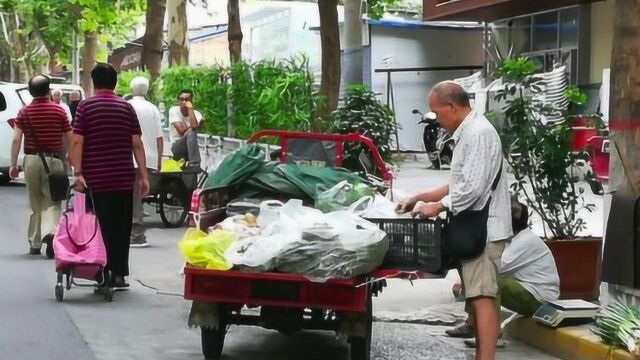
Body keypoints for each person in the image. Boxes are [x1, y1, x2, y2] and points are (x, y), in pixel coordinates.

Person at [397, 81, 512, 360]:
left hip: (485, 228)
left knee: (482, 297)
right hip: (479, 225)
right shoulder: (470, 132)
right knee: (477, 296)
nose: (436, 120)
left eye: (437, 113)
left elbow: (471, 190)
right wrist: (421, 196)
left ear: (452, 106)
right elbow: (459, 183)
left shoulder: (477, 133)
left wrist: (436, 206)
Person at [70, 63, 149, 288]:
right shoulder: (126, 108)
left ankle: (101, 270)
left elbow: (77, 141)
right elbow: (136, 143)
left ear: (94, 82)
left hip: (95, 180)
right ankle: (118, 274)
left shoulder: (86, 107)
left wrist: (77, 173)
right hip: (123, 178)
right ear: (114, 83)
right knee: (121, 227)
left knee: (99, 226)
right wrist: (143, 175)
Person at [447, 198, 560, 348]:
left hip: (540, 300)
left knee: (489, 279)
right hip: (527, 291)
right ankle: (472, 324)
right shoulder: (512, 239)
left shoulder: (524, 242)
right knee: (479, 274)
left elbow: (494, 267)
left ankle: (493, 335)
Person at [9, 75, 73, 257]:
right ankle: (52, 233)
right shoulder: (59, 111)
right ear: (48, 90)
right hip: (55, 160)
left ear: (30, 92)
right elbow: (70, 137)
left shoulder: (24, 113)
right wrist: (70, 157)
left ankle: (35, 243)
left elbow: (16, 140)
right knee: (53, 201)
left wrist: (14, 165)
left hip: (31, 161)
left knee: (35, 201)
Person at [128, 76, 164, 248]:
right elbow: (159, 137)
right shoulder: (153, 109)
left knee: (133, 196)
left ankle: (137, 234)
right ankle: (134, 232)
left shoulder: (127, 106)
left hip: (131, 156)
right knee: (137, 195)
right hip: (148, 157)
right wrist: (159, 159)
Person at [168, 89, 203, 167]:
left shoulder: (197, 114)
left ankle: (193, 163)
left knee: (192, 131)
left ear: (191, 101)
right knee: (191, 131)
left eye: (186, 100)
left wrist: (190, 109)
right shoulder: (174, 110)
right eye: (181, 100)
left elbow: (194, 127)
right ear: (178, 101)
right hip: (176, 147)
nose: (184, 102)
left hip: (190, 149)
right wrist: (192, 126)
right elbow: (181, 130)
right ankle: (194, 163)